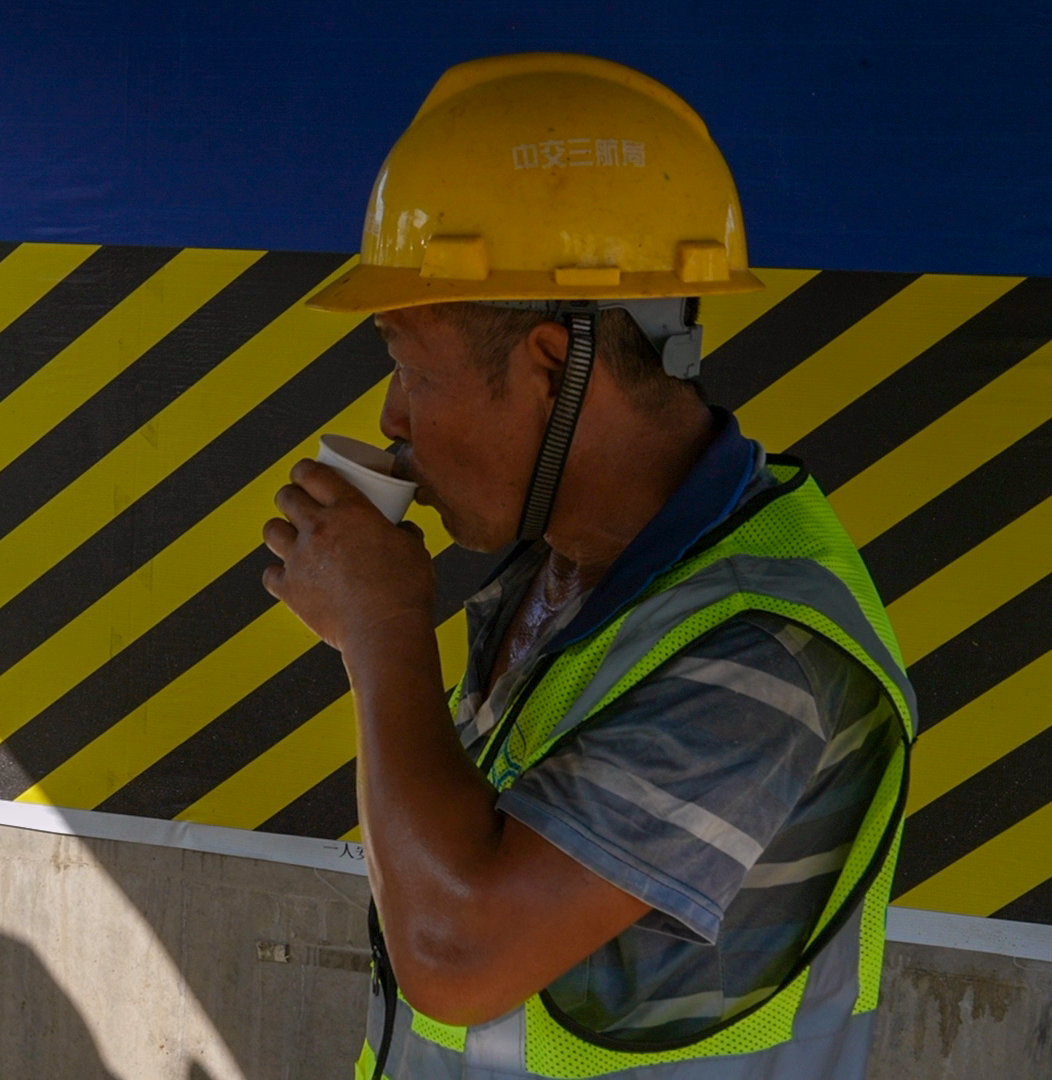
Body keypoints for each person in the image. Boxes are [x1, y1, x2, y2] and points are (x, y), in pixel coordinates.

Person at [262, 53, 916, 1080]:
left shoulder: (767, 655)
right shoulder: (564, 569)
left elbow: (453, 953)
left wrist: (382, 630)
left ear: (549, 368)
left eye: (410, 368)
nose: (392, 418)